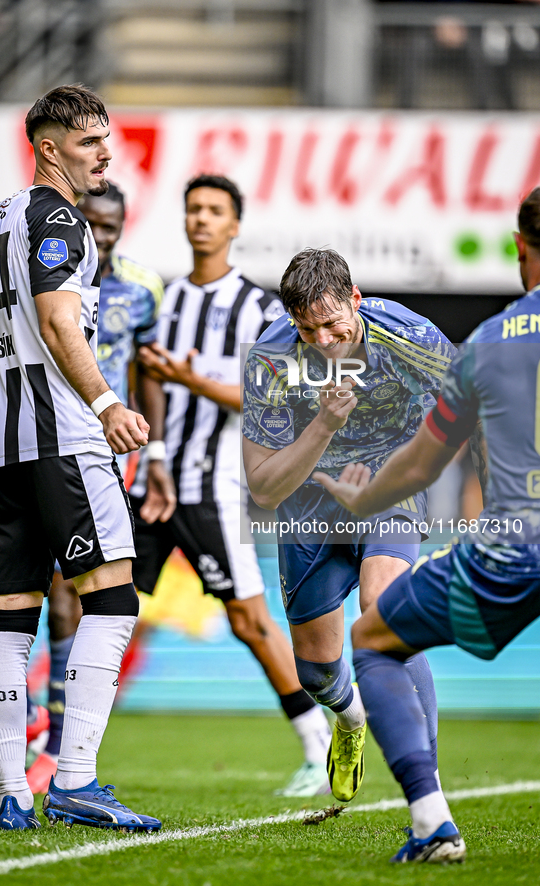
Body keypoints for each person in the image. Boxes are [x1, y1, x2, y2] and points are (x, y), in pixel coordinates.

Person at [312, 188, 540, 862]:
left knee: (374, 639)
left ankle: (430, 820)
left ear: (520, 249)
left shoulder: (486, 344)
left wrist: (362, 498)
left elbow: (416, 466)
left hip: (512, 549)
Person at [0, 84, 160, 832]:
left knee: (10, 617)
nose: (104, 154)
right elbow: (57, 323)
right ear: (49, 148)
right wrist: (109, 403)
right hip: (60, 440)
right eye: (88, 142)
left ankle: (15, 791)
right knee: (112, 595)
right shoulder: (59, 219)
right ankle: (77, 780)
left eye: (106, 140)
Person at [132, 174, 333, 797]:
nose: (202, 219)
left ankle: (316, 746)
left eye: (215, 210)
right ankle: (57, 749)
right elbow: (149, 378)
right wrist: (157, 451)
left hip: (213, 488)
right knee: (104, 609)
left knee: (248, 619)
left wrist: (192, 382)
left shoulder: (259, 309)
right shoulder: (164, 301)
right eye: (193, 208)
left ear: (235, 224)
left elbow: (268, 395)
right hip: (154, 480)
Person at [242, 247, 455, 803]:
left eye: (333, 324)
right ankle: (351, 717)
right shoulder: (271, 358)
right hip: (308, 506)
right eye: (307, 329)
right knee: (315, 673)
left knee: (383, 608)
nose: (323, 341)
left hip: (389, 488)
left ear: (356, 302)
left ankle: (425, 789)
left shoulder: (411, 337)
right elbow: (264, 488)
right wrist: (324, 426)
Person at [21, 181, 169, 793]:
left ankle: (55, 747)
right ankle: (44, 735)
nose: (102, 235)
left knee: (88, 591)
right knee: (29, 593)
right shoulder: (53, 260)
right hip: (47, 436)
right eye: (95, 224)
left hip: (110, 447)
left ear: (123, 224)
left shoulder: (142, 287)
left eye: (112, 226)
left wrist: (155, 449)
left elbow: (147, 366)